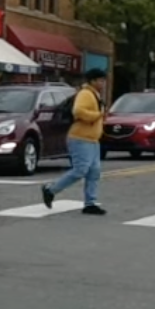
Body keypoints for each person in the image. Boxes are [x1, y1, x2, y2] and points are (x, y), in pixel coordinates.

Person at [39, 71, 110, 215]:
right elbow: (78, 111)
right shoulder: (85, 94)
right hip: (80, 138)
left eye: (104, 81)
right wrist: (97, 115)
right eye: (101, 80)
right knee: (80, 170)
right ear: (92, 81)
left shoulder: (94, 94)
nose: (103, 83)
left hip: (92, 140)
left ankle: (90, 203)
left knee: (94, 172)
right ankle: (50, 190)